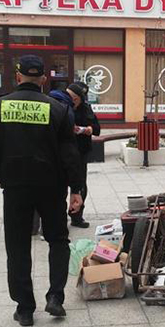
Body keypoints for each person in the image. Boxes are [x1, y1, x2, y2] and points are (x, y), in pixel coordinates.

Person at [0, 55, 84, 327]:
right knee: (58, 240)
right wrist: (76, 190)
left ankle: (24, 309)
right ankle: (55, 297)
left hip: (15, 189)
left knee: (18, 246)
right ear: (44, 79)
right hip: (51, 187)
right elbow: (70, 156)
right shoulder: (58, 110)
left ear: (18, 77)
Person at [49, 82, 101, 228]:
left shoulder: (85, 108)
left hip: (80, 152)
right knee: (59, 187)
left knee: (80, 186)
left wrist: (87, 129)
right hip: (59, 154)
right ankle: (56, 220)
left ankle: (76, 217)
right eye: (74, 98)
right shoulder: (56, 105)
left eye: (78, 99)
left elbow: (97, 128)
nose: (76, 102)